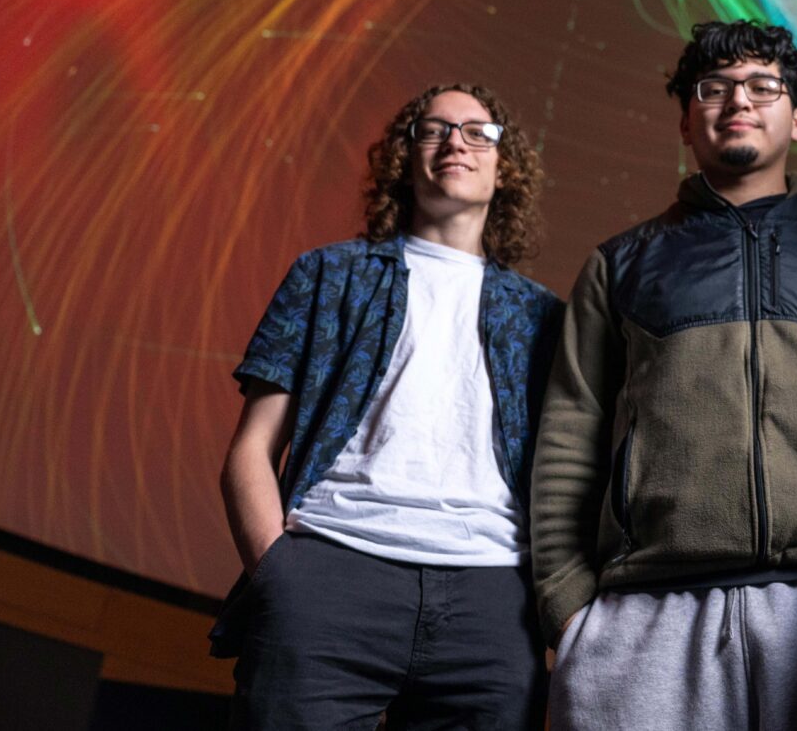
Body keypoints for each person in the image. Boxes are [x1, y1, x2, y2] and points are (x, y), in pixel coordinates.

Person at [532, 20, 797, 730]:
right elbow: (570, 433)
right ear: (687, 123)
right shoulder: (618, 264)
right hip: (647, 618)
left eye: (761, 87)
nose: (736, 101)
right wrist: (568, 610)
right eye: (712, 89)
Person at [211, 83, 564, 730]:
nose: (455, 140)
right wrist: (280, 577)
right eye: (433, 129)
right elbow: (251, 449)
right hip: (331, 573)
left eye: (476, 131)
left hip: (493, 603)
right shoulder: (325, 276)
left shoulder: (546, 318)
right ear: (406, 158)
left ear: (503, 165)